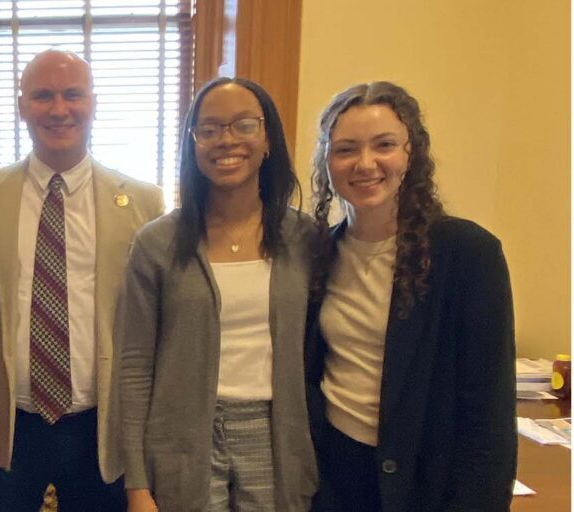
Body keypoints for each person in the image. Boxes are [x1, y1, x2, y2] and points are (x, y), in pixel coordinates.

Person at [0, 49, 165, 511]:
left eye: (72, 95)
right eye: (43, 96)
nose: (59, 109)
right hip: (4, 419)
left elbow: (158, 322)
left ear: (93, 103)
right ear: (22, 106)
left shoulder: (143, 203)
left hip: (102, 425)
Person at [305, 81, 516, 512]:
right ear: (327, 160)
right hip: (334, 480)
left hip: (427, 486)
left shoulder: (467, 254)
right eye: (346, 149)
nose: (365, 163)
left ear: (411, 152)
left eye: (383, 145)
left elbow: (488, 421)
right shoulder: (317, 254)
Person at [116, 77, 318, 512]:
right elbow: (134, 367)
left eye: (244, 125)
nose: (226, 140)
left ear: (267, 140)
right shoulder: (157, 243)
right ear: (193, 144)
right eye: (208, 129)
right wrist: (137, 484)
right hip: (183, 437)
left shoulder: (305, 237)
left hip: (275, 434)